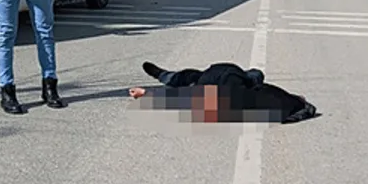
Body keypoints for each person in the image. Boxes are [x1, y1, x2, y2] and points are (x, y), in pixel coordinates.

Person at [129, 60, 319, 124]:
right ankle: (164, 75)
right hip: (228, 75)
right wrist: (147, 94)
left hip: (226, 75)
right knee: (187, 78)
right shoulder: (231, 96)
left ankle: (164, 75)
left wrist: (147, 94)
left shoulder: (220, 96)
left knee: (186, 78)